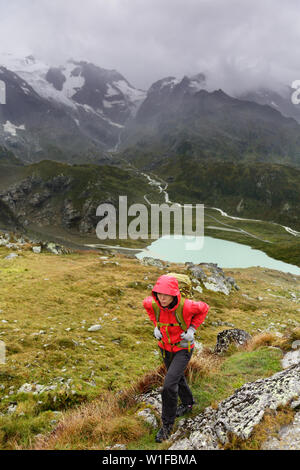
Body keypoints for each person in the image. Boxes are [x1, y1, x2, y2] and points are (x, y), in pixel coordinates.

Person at [143, 274, 210, 442]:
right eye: (159, 293)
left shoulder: (187, 306)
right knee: (177, 377)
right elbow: (149, 309)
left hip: (183, 349)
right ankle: (188, 404)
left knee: (168, 385)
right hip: (165, 348)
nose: (162, 297)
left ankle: (167, 425)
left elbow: (204, 308)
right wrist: (156, 326)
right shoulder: (152, 303)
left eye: (166, 294)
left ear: (174, 293)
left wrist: (192, 329)